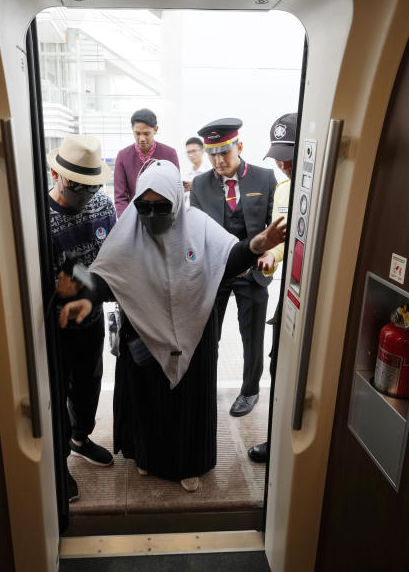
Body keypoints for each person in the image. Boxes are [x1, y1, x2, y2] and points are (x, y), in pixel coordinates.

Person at [58, 161, 286, 491]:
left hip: (193, 333)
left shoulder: (199, 226)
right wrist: (87, 299)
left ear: (178, 201)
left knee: (187, 407)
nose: (151, 215)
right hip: (145, 333)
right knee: (149, 402)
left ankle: (188, 464)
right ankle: (148, 458)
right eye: (144, 206)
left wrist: (256, 245)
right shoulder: (130, 229)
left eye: (161, 206)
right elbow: (107, 277)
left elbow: (228, 259)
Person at [189, 118, 277, 417]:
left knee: (252, 337)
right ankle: (203, 386)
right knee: (206, 335)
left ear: (239, 146)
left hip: (253, 273)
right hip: (215, 272)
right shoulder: (200, 184)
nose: (218, 160)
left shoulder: (265, 178)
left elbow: (275, 224)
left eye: (224, 152)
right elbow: (196, 232)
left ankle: (250, 390)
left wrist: (270, 253)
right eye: (212, 153)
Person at [46, 134, 116, 503]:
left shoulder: (104, 207)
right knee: (56, 396)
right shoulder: (38, 217)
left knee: (89, 388)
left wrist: (82, 280)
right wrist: (70, 282)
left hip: (92, 320)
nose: (84, 193)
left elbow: (112, 263)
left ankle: (80, 438)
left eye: (91, 186)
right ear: (56, 173)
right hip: (54, 329)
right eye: (77, 185)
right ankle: (58, 464)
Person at [249, 112, 297, 464]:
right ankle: (276, 438)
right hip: (293, 293)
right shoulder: (284, 190)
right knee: (279, 360)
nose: (282, 164)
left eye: (288, 155)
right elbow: (283, 240)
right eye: (278, 155)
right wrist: (271, 255)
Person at [112, 108, 180, 218]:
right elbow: (120, 197)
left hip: (164, 216)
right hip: (133, 217)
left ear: (156, 130)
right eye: (137, 133)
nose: (142, 138)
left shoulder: (170, 154)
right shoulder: (123, 156)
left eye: (146, 133)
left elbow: (177, 191)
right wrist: (125, 222)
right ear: (132, 130)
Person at [181, 136, 212, 205]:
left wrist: (195, 186)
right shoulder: (186, 175)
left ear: (202, 151)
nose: (191, 155)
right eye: (188, 152)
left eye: (193, 151)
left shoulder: (211, 172)